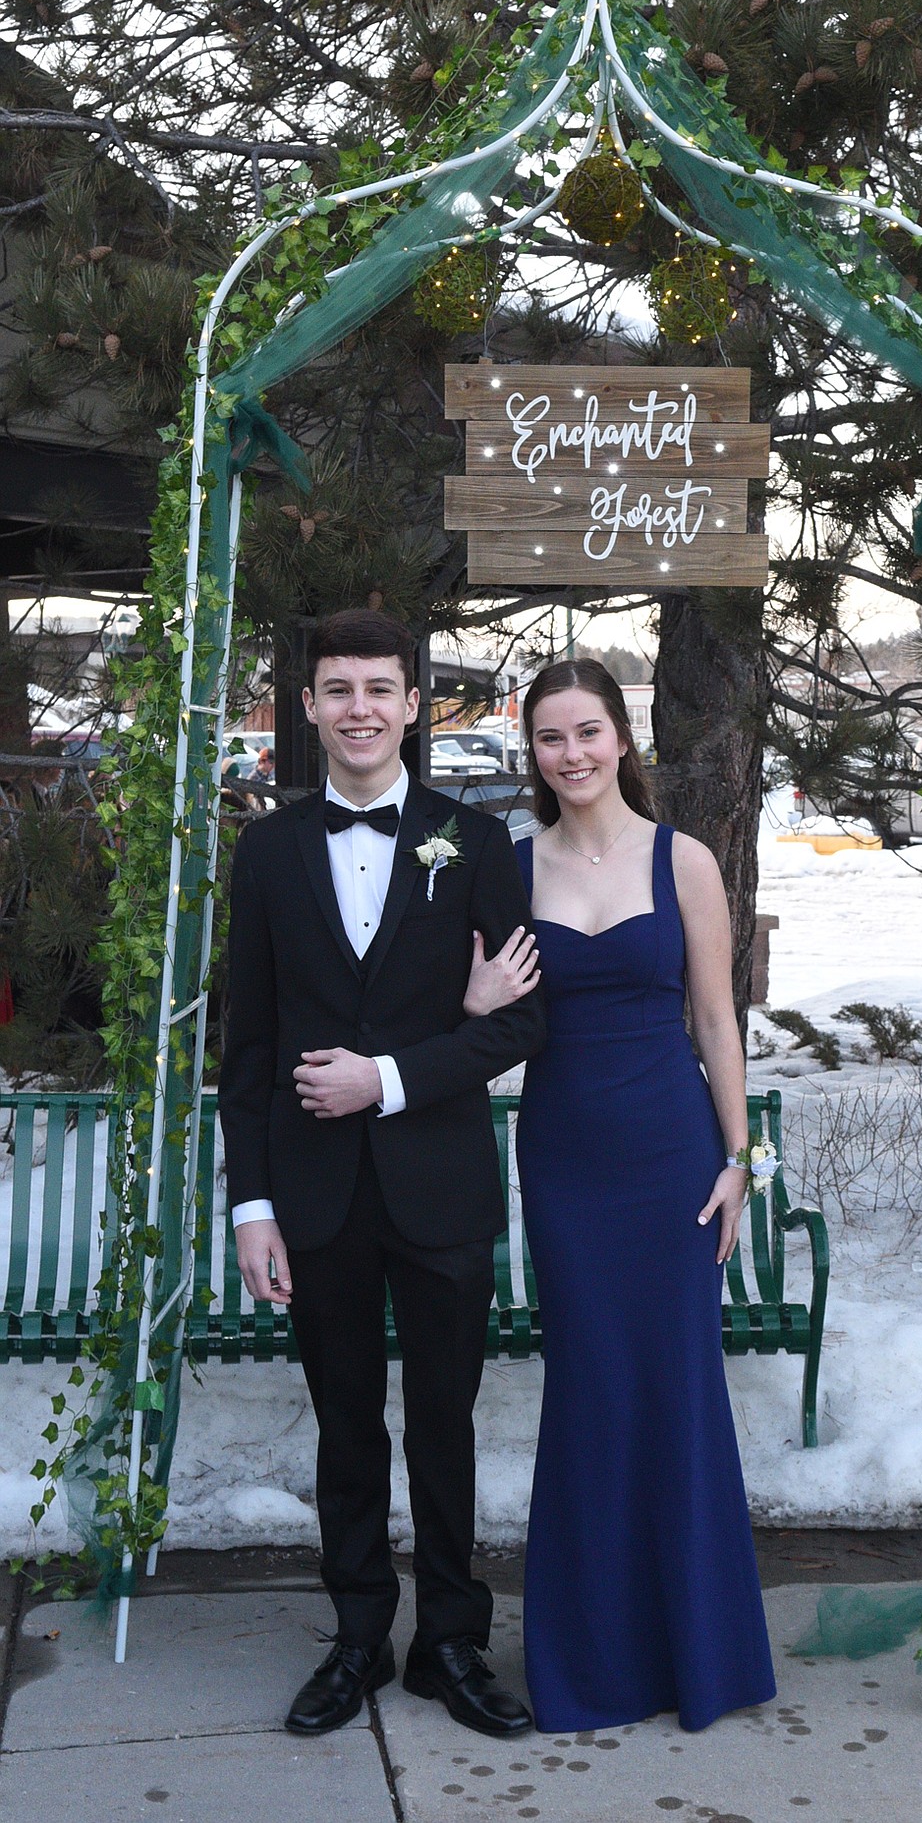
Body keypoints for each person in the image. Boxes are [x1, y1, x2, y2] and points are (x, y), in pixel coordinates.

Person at [218, 608, 545, 1740]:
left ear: (415, 703)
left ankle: (448, 1638)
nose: (360, 706)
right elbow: (250, 1047)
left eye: (380, 686)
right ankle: (359, 1632)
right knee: (347, 1421)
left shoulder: (477, 841)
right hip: (314, 1192)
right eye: (337, 687)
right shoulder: (265, 852)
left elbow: (522, 1022)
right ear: (306, 707)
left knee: (445, 1419)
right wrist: (251, 1201)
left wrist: (391, 1077)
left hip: (438, 1181)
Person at [466, 657, 776, 1733]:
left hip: (671, 1158)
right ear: (533, 752)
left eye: (588, 731)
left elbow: (716, 1022)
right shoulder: (510, 868)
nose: (573, 753)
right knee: (593, 1393)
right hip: (566, 1162)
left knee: (678, 1392)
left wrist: (740, 1156)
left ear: (621, 736)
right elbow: (490, 1028)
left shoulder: (683, 859)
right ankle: (593, 1661)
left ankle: (699, 1650)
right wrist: (472, 1000)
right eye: (551, 737)